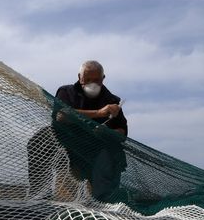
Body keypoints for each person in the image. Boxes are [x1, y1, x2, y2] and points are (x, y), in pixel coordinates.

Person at [27, 60, 128, 201]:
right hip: (65, 144)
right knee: (40, 140)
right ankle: (38, 194)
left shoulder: (112, 100)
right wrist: (98, 113)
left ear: (103, 79)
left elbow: (122, 132)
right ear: (79, 77)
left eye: (96, 80)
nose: (92, 84)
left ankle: (102, 200)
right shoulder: (66, 92)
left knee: (112, 154)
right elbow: (61, 115)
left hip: (95, 149)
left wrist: (108, 132)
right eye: (87, 80)